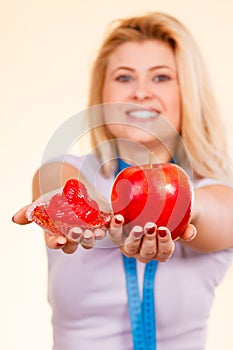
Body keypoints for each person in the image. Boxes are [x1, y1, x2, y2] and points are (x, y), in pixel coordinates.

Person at [12, 12, 233, 350]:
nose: (141, 92)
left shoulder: (214, 191)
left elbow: (217, 211)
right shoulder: (66, 167)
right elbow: (57, 185)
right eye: (124, 77)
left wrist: (179, 206)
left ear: (188, 92)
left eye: (161, 77)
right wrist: (85, 210)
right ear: (103, 92)